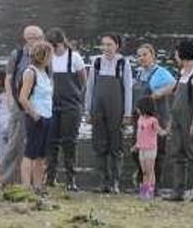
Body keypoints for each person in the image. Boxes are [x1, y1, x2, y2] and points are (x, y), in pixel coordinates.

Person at [85, 33, 133, 193]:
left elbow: (128, 89)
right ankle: (103, 182)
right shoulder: (96, 62)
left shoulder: (123, 63)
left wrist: (127, 113)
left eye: (109, 44)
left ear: (117, 46)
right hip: (98, 110)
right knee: (99, 145)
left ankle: (115, 182)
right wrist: (88, 110)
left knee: (116, 146)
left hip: (117, 110)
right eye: (103, 44)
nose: (106, 48)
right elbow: (90, 88)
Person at [0, 25, 45, 186]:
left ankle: (36, 183)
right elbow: (8, 78)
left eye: (38, 37)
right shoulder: (17, 55)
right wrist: (10, 100)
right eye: (31, 37)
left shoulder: (46, 55)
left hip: (39, 108)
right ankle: (5, 181)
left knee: (38, 147)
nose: (35, 41)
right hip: (19, 108)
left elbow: (50, 81)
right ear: (25, 38)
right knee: (14, 145)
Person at [167, 39, 193, 202]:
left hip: (190, 121)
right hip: (178, 121)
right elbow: (176, 95)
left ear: (182, 53)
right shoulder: (182, 72)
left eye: (176, 53)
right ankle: (178, 192)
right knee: (178, 154)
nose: (175, 56)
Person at [131, 43, 176, 192]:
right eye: (139, 55)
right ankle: (142, 182)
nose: (141, 58)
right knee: (137, 150)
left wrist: (160, 92)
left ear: (153, 55)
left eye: (145, 54)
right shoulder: (138, 73)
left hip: (158, 116)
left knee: (157, 153)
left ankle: (154, 187)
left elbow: (173, 85)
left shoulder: (160, 72)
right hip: (140, 119)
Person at [45, 28, 86, 190]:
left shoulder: (74, 57)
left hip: (71, 105)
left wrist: (77, 97)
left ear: (63, 43)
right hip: (51, 104)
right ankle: (50, 177)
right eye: (50, 47)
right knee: (51, 141)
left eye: (55, 46)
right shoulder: (48, 58)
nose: (54, 50)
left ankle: (71, 179)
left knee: (70, 142)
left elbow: (83, 80)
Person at [19, 41, 54, 191]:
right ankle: (26, 186)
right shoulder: (30, 72)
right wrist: (35, 115)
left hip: (47, 116)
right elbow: (23, 97)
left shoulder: (44, 72)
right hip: (36, 117)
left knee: (41, 154)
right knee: (30, 153)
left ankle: (38, 186)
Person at [133, 96, 166, 199]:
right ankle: (143, 192)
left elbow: (160, 132)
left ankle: (150, 192)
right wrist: (136, 145)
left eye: (138, 107)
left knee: (150, 170)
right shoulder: (140, 120)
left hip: (150, 149)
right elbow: (139, 134)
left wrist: (167, 130)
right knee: (144, 171)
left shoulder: (153, 120)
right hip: (141, 148)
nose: (137, 110)